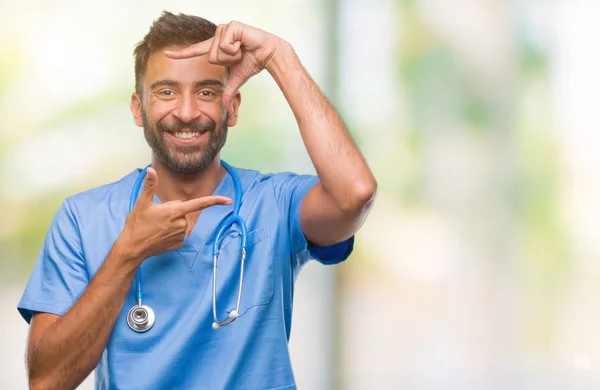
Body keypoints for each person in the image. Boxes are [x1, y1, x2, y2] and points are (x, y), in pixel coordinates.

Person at [17, 11, 377, 390]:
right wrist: (127, 253)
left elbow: (356, 194)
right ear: (139, 109)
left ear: (232, 108)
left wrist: (278, 56)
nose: (187, 113)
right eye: (166, 92)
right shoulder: (83, 218)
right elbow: (47, 381)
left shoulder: (274, 204)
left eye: (206, 92)